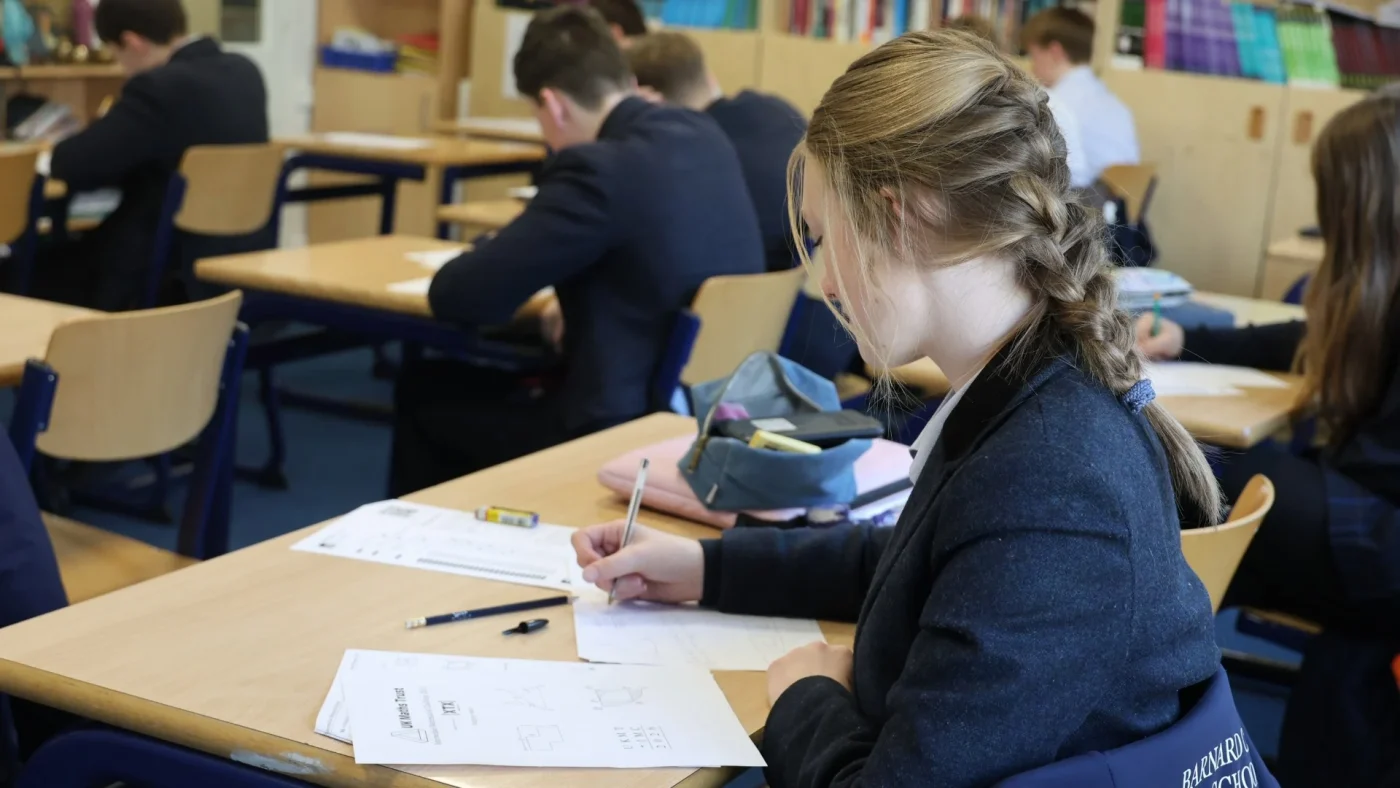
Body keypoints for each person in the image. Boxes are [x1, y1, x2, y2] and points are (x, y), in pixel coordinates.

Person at [572, 30, 1224, 787]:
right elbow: (921, 566)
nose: (825, 282)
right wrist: (706, 568)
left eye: (823, 236)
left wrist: (805, 698)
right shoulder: (1025, 391)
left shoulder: (1051, 479)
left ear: (898, 215)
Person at [389, 7, 763, 496]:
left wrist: (502, 254)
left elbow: (461, 295)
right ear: (626, 76)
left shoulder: (597, 170)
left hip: (615, 430)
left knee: (426, 388)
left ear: (552, 104)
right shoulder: (702, 134)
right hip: (711, 410)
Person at [1138, 94, 1400, 637]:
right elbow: (1302, 336)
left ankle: (1156, 640)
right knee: (1209, 478)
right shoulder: (1383, 290)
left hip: (1380, 541)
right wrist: (1190, 336)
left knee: (1203, 465)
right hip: (1365, 512)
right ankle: (1168, 636)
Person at [32, 0, 270, 311]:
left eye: (117, 54)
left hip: (159, 267)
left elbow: (73, 163)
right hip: (236, 253)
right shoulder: (245, 72)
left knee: (26, 267)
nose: (121, 67)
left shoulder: (159, 87)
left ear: (132, 42)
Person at [628, 31, 807, 271]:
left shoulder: (690, 153)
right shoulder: (776, 108)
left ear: (649, 100)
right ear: (708, 76)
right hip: (793, 289)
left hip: (740, 284)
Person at [1023, 7, 1138, 187]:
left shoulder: (1053, 105)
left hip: (1080, 206)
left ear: (1055, 52)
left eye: (1034, 57)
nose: (1032, 68)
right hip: (1116, 209)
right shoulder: (1118, 107)